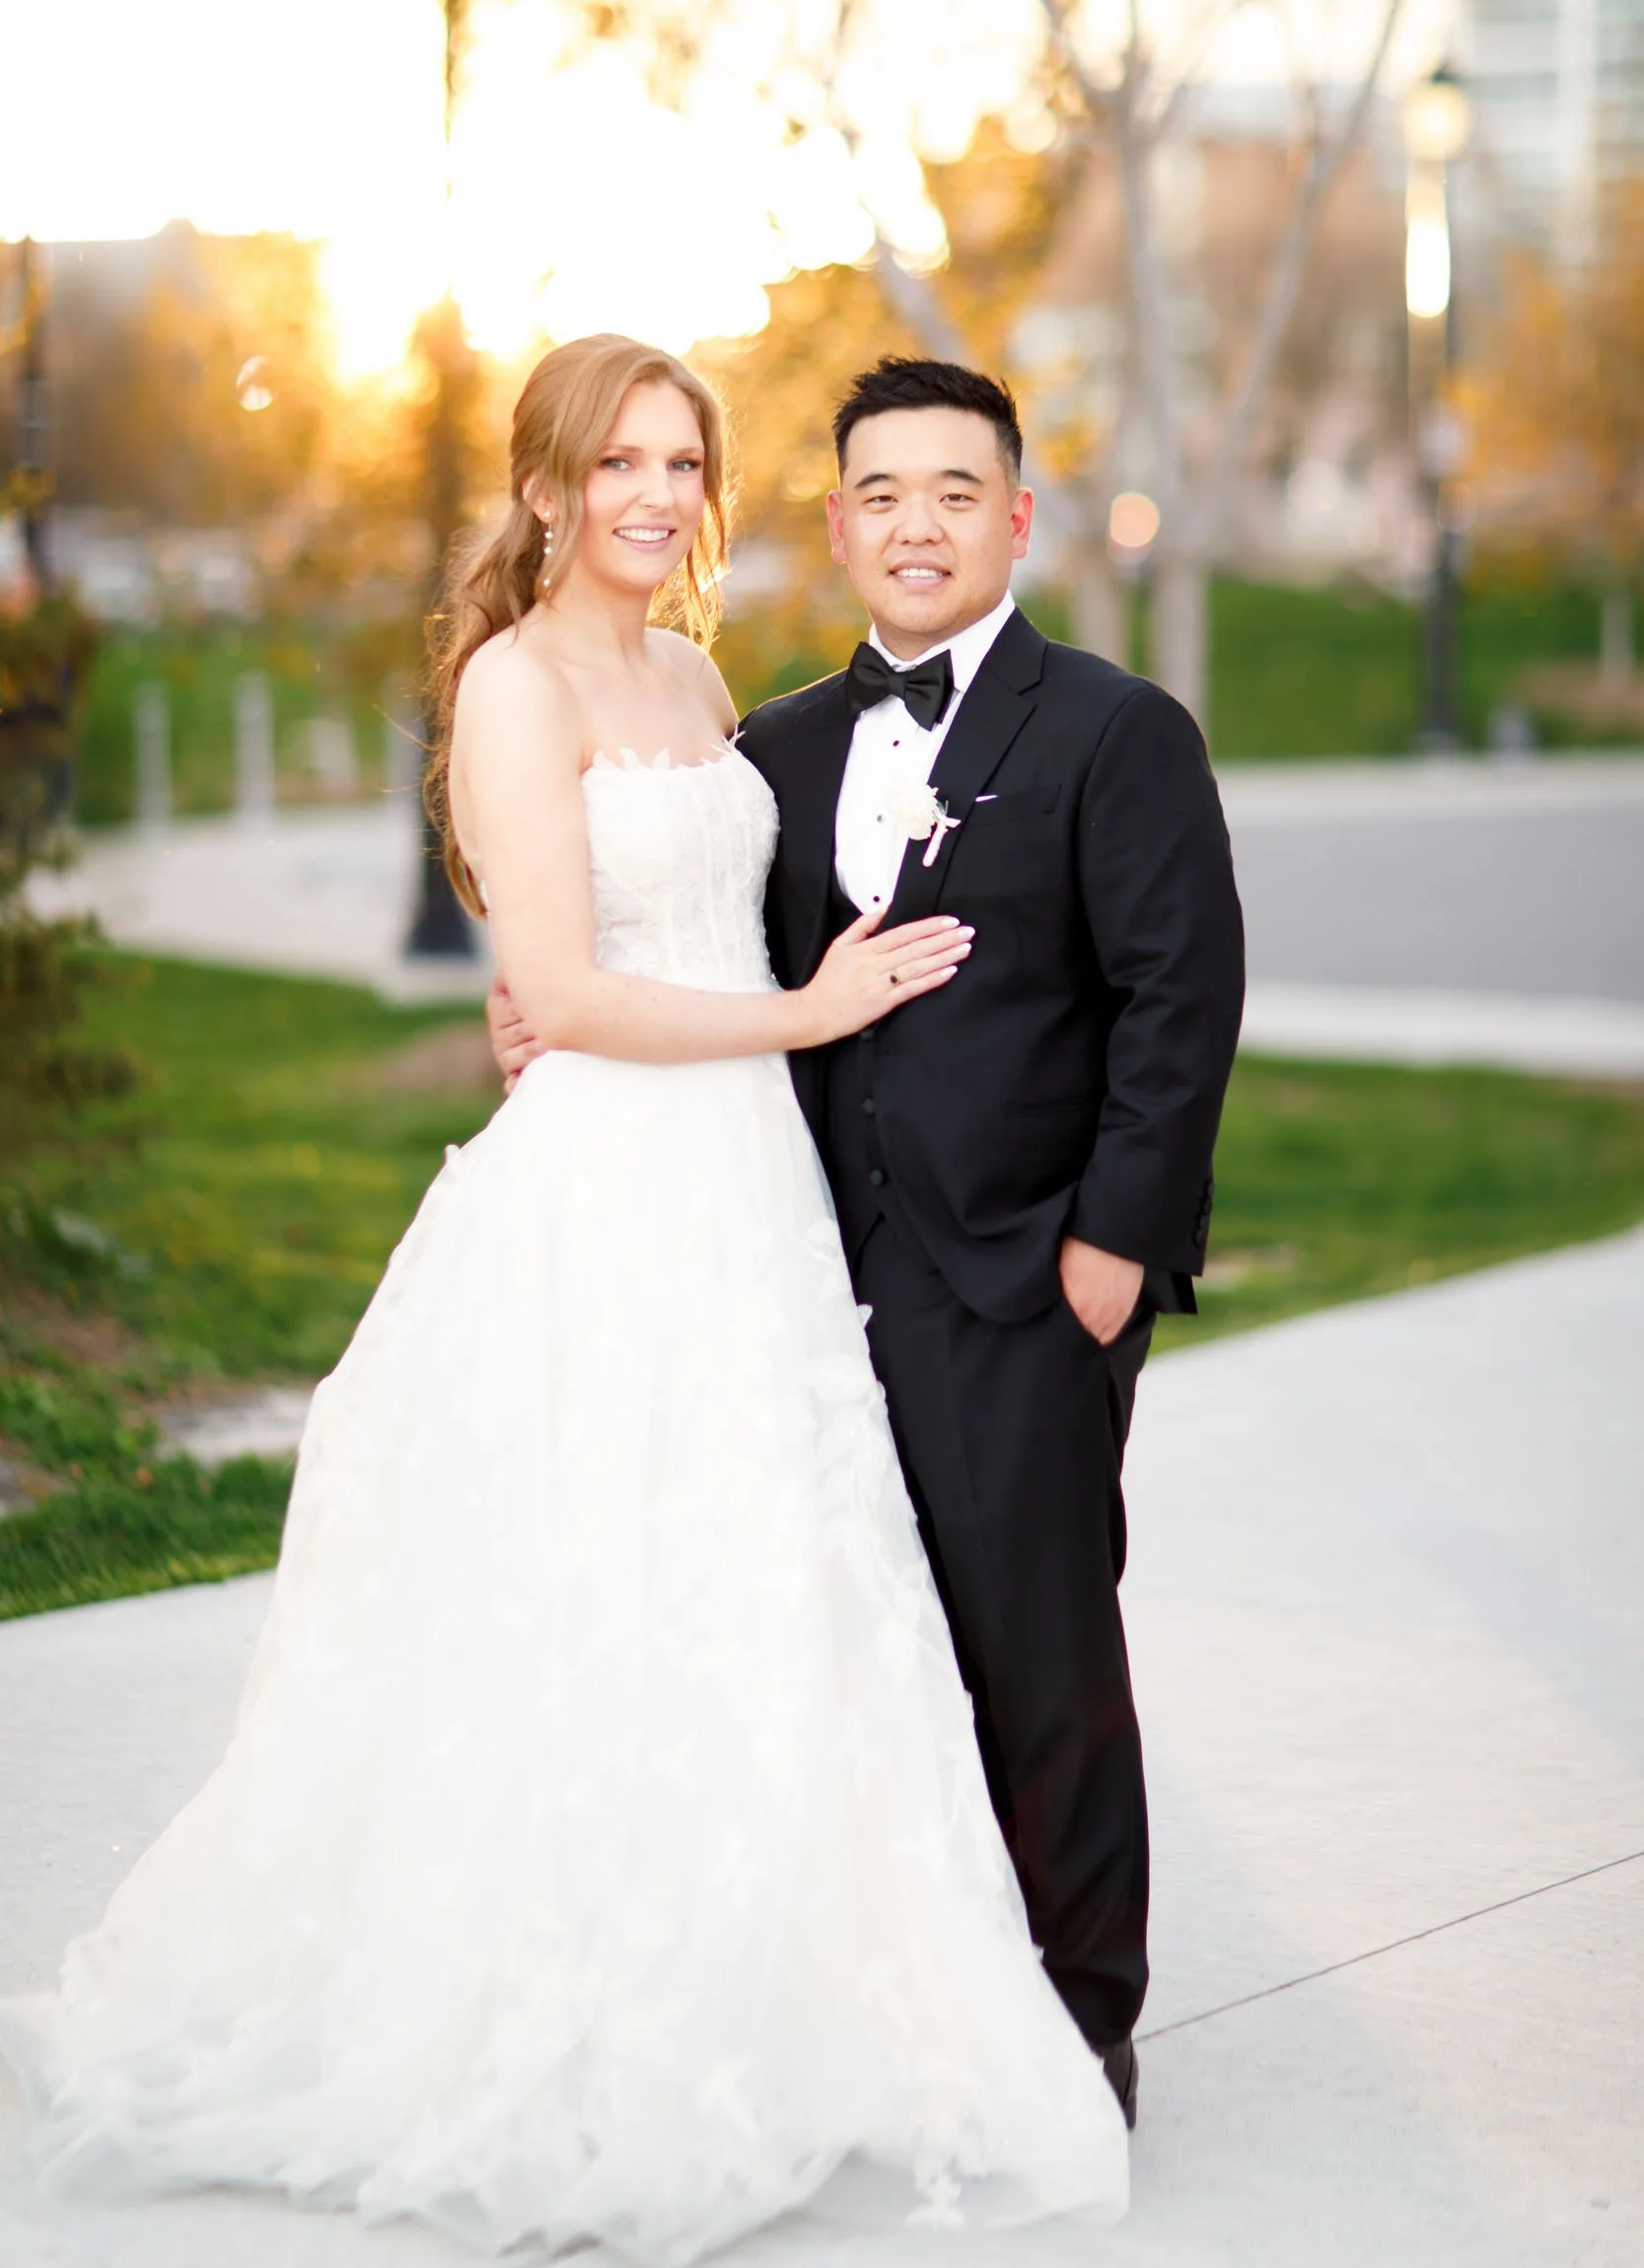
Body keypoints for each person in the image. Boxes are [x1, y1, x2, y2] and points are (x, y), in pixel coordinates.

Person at [0, 336, 1129, 2263]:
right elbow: (572, 985)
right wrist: (803, 1010)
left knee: (766, 1593)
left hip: (746, 1198)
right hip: (612, 1186)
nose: (655, 494)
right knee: (593, 1591)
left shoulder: (692, 677)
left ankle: (770, 2011)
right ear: (541, 488)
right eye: (616, 461)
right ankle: (569, 2016)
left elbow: (718, 896)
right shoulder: (513, 689)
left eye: (683, 461)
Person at [492, 354, 1247, 2128]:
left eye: (954, 493)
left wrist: (1111, 1253)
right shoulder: (771, 745)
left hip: (1020, 1281)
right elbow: (692, 964)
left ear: (1014, 516)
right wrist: (546, 1016)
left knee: (1039, 1655)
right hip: (792, 1272)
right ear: (834, 524)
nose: (917, 526)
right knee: (853, 1653)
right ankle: (918, 2005)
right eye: (881, 496)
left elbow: (1177, 1002)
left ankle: (1081, 2030)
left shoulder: (1112, 730)